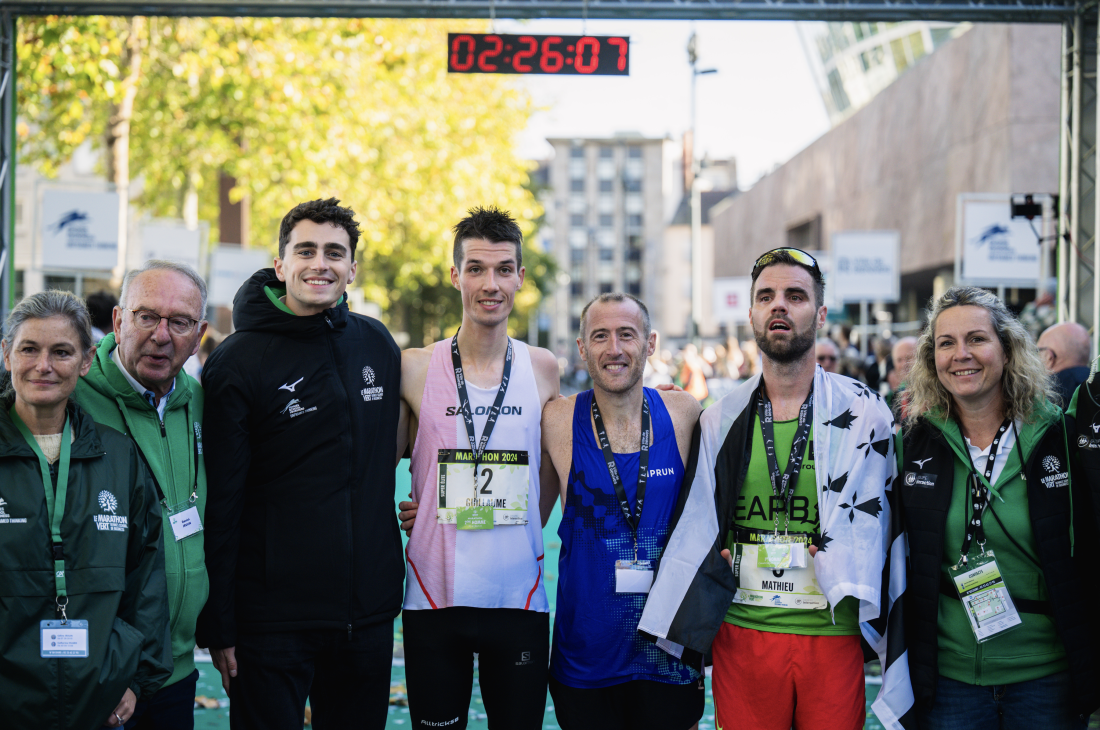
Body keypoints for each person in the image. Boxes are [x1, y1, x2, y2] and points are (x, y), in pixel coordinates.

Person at [639, 247, 897, 730]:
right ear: (752, 313)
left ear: (819, 314)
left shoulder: (864, 412)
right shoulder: (721, 416)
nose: (780, 305)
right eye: (767, 296)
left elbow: (887, 525)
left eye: (795, 296)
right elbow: (699, 522)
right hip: (744, 634)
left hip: (832, 634)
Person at [197, 198, 403, 729]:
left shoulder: (376, 343)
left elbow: (397, 447)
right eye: (305, 250)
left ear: (352, 268)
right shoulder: (238, 359)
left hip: (368, 615)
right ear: (280, 264)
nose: (321, 263)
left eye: (335, 252)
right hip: (272, 622)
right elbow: (222, 497)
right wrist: (220, 622)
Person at [899, 286, 1099, 727]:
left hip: (1046, 679)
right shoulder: (912, 444)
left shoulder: (1058, 437)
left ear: (1007, 350)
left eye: (977, 339)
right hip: (950, 682)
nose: (961, 354)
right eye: (946, 343)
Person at [397, 206, 560, 730]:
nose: (490, 284)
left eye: (503, 269)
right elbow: (373, 453)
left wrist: (520, 518)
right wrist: (416, 507)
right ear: (455, 275)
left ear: (520, 278)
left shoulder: (542, 366)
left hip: (519, 597)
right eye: (475, 269)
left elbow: (552, 467)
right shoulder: (415, 366)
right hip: (433, 599)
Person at [0, 290, 171, 730]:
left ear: (86, 360)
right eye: (29, 349)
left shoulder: (119, 457)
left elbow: (146, 576)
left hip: (100, 701)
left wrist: (136, 679)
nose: (44, 366)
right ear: (6, 355)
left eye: (61, 352)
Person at [540, 293, 704, 730]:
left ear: (649, 344)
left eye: (626, 335)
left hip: (669, 650)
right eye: (600, 336)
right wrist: (434, 509)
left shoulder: (683, 412)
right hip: (587, 653)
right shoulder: (556, 420)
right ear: (582, 349)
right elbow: (526, 514)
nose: (614, 348)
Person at [72, 260, 209, 730]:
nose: (161, 335)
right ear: (117, 320)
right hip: (97, 670)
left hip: (176, 669)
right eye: (146, 316)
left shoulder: (202, 402)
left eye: (180, 322)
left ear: (200, 335)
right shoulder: (70, 398)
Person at [1037, 321, 1092, 408]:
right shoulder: (1094, 384)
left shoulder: (1046, 396)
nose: (1036, 357)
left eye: (1038, 350)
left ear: (1049, 357)